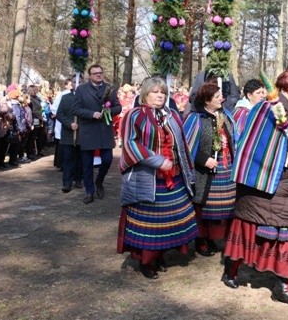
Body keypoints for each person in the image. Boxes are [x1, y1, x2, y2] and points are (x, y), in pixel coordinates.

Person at [222, 70, 288, 306]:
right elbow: (251, 149)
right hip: (264, 191)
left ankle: (283, 286)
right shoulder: (265, 110)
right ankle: (231, 269)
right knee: (249, 235)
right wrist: (283, 159)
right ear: (285, 90)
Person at [117, 76, 198, 279]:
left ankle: (160, 255)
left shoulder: (171, 115)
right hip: (147, 179)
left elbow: (182, 144)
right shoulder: (134, 115)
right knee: (149, 224)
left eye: (163, 92)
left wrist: (186, 168)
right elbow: (130, 144)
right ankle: (146, 262)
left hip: (174, 178)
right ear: (145, 93)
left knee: (169, 220)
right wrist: (157, 160)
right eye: (155, 91)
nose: (160, 95)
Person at [184, 82, 237, 257]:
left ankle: (215, 238)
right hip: (204, 172)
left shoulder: (225, 115)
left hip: (225, 167)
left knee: (224, 206)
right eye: (217, 96)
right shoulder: (195, 118)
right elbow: (186, 145)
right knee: (204, 208)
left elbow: (234, 138)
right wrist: (203, 159)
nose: (222, 98)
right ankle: (201, 239)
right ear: (207, 101)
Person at [72, 65, 122, 204]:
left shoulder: (110, 88)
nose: (98, 75)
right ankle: (89, 191)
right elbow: (75, 109)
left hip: (104, 130)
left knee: (107, 160)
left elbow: (118, 107)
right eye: (95, 73)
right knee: (87, 164)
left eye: (100, 73)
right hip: (88, 130)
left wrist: (109, 111)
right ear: (90, 75)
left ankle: (99, 181)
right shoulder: (82, 90)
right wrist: (91, 114)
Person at [56, 82, 84, 193]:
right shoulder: (65, 98)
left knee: (80, 159)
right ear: (71, 84)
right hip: (68, 135)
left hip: (82, 135)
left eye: (80, 82)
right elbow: (59, 114)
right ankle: (67, 183)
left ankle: (78, 179)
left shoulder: (85, 98)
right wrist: (69, 123)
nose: (78, 83)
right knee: (68, 159)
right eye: (75, 81)